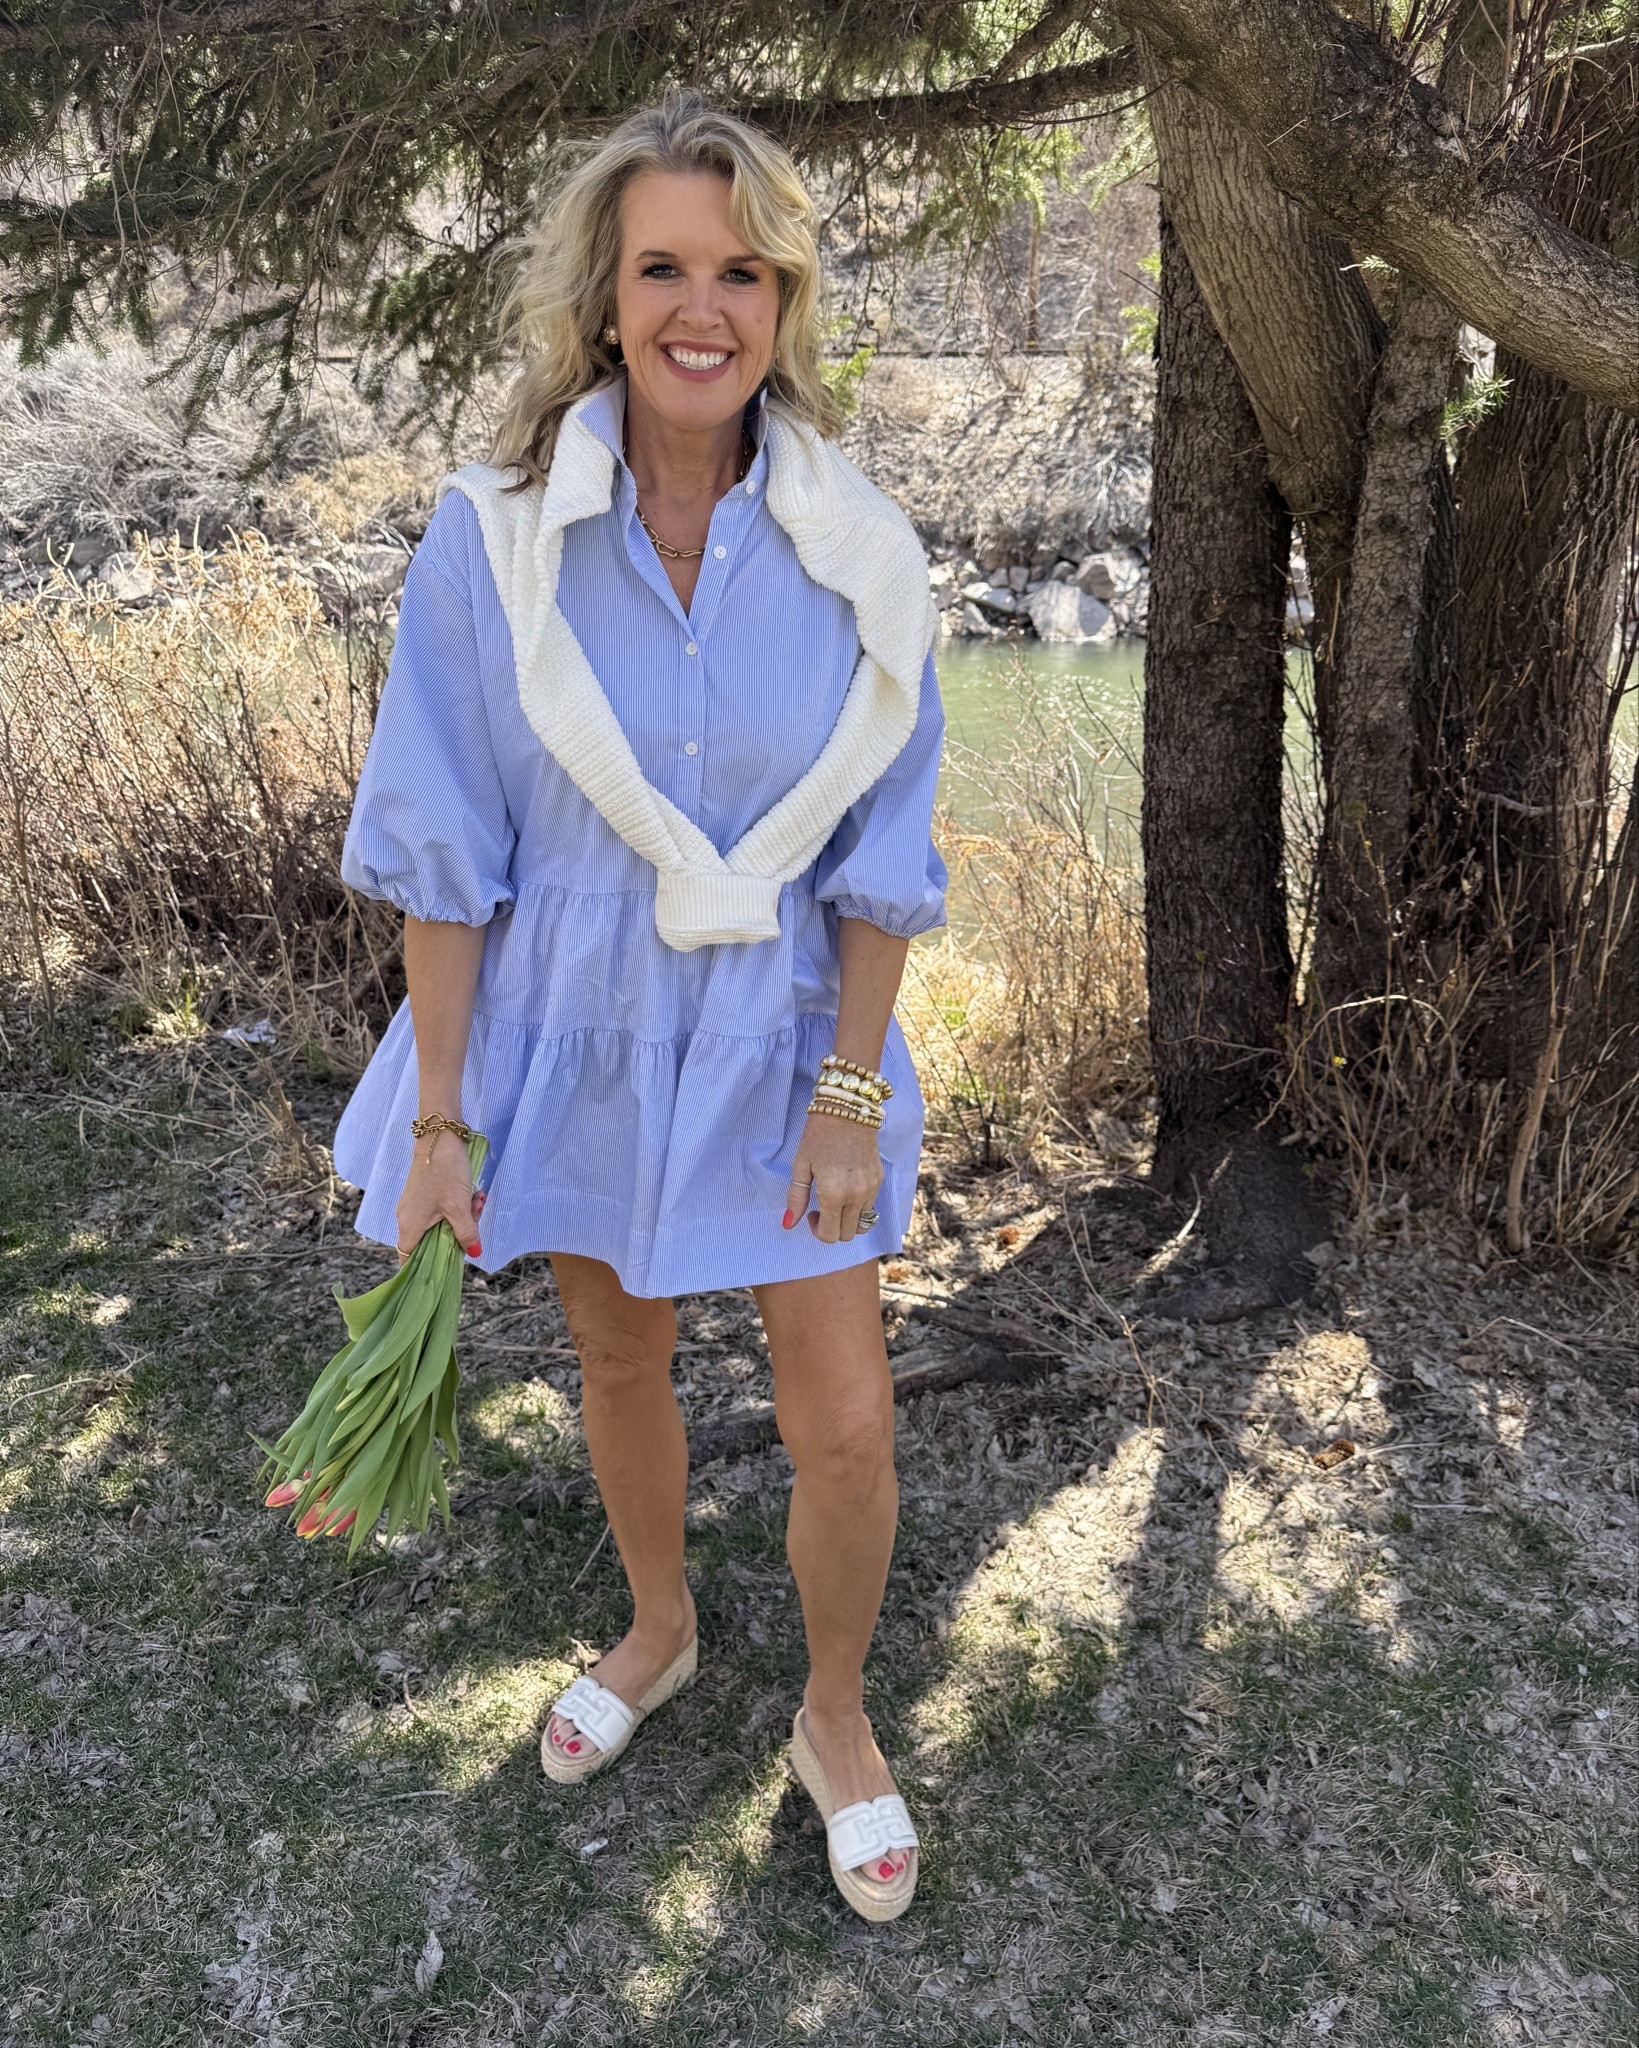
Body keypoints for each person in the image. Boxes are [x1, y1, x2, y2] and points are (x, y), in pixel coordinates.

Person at [326, 91, 945, 1922]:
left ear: (784, 300)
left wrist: (851, 1083)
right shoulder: (494, 538)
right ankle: (658, 1625)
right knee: (616, 1354)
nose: (703, 307)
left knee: (845, 1424)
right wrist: (443, 1122)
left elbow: (885, 854)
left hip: (787, 1046)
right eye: (665, 265)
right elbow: (447, 854)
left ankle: (835, 1713)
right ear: (606, 296)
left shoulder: (861, 554)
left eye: (741, 270)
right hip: (573, 1029)